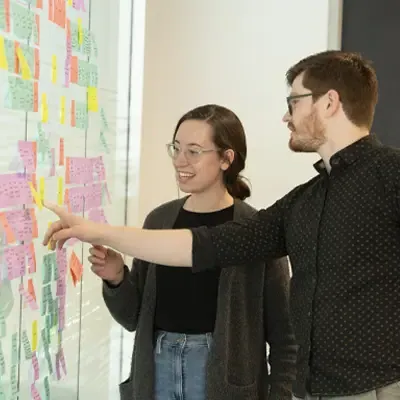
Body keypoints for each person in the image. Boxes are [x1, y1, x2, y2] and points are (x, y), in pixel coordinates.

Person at [43, 51, 400, 400]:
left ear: (329, 103)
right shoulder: (303, 201)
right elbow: (202, 246)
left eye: (294, 102)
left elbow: (280, 331)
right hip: (316, 389)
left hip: (379, 386)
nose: (285, 116)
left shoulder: (390, 173)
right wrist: (94, 231)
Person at [85, 104, 297, 400]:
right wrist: (117, 278)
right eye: (176, 148)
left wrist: (281, 395)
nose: (180, 160)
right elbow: (133, 318)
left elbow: (285, 337)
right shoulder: (159, 220)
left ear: (226, 158)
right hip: (157, 371)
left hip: (223, 381)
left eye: (194, 151)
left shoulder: (256, 229)